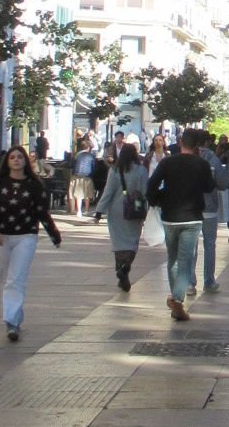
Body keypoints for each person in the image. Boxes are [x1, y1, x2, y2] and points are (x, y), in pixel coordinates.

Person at [0, 143, 61, 341]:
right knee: (7, 278)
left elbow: (42, 212)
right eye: (12, 157)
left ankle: (11, 322)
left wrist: (54, 234)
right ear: (7, 161)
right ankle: (16, 315)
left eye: (20, 157)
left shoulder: (34, 185)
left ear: (26, 161)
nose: (16, 160)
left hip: (26, 235)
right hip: (2, 237)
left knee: (16, 278)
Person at [147, 127, 215, 322]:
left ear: (181, 143)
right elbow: (209, 187)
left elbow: (151, 185)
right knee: (186, 259)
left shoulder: (168, 162)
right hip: (192, 216)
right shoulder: (202, 164)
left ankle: (176, 297)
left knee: (173, 259)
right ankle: (177, 299)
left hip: (170, 216)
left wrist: (159, 199)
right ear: (197, 146)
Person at [92, 140, 148, 294]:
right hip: (135, 209)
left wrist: (99, 212)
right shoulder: (142, 171)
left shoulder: (115, 170)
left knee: (118, 242)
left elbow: (108, 192)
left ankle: (120, 267)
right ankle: (126, 265)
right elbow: (145, 192)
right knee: (133, 240)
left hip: (117, 210)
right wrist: (148, 210)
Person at [198, 130, 227, 294]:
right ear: (208, 142)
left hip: (190, 208)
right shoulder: (214, 160)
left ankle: (190, 283)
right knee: (209, 245)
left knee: (191, 246)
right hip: (209, 208)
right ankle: (209, 281)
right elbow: (223, 184)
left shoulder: (187, 158)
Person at [67, 134, 97, 218]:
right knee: (87, 194)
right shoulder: (91, 156)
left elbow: (71, 165)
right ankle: (86, 210)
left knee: (78, 195)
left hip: (76, 176)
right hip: (87, 176)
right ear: (88, 148)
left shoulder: (76, 155)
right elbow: (93, 167)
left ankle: (79, 211)